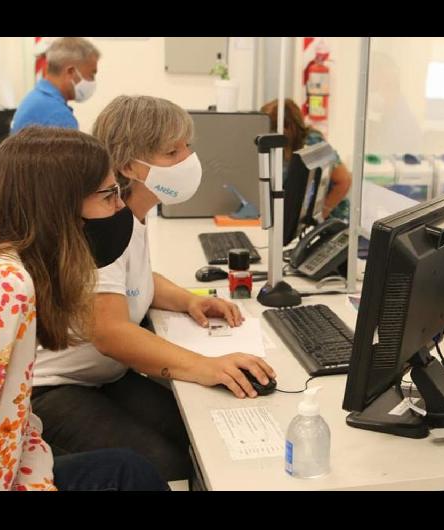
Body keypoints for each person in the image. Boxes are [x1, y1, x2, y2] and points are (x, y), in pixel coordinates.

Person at [32, 95, 276, 482]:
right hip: (52, 390)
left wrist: (189, 300)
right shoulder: (106, 226)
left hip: (103, 378)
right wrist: (206, 365)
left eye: (187, 146)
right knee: (167, 463)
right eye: (171, 151)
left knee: (197, 431)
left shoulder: (132, 214)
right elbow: (111, 333)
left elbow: (134, 282)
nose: (187, 159)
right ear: (130, 165)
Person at [0, 126, 168, 490]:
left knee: (127, 469)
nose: (120, 207)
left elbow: (15, 421)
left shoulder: (24, 278)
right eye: (108, 195)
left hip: (1, 468)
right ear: (60, 210)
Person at [260, 98, 352, 221]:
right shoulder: (277, 148)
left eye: (271, 127)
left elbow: (343, 180)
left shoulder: (313, 142)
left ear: (288, 127)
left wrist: (322, 213)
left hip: (332, 219)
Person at [11, 37, 100, 134]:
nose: (92, 81)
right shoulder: (58, 116)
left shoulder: (36, 97)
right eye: (92, 74)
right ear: (71, 72)